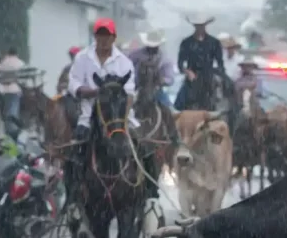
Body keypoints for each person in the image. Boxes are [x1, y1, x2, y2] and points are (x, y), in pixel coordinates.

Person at [67, 17, 161, 208]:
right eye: (100, 35)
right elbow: (73, 84)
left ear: (113, 37)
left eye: (107, 36)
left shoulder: (124, 62)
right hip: (89, 116)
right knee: (74, 153)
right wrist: (94, 92)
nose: (103, 40)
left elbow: (129, 93)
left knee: (144, 146)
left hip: (119, 117)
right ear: (95, 36)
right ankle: (72, 198)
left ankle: (151, 193)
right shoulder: (82, 58)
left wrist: (121, 119)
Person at [175, 13, 224, 110]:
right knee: (179, 103)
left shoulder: (214, 42)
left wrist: (216, 74)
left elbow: (220, 63)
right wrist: (188, 72)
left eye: (201, 26)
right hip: (192, 77)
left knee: (224, 97)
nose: (199, 28)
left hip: (209, 76)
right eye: (197, 26)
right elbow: (180, 64)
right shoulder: (186, 42)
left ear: (205, 25)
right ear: (194, 26)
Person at [128, 29, 177, 112]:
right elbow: (127, 70)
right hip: (137, 89)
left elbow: (170, 79)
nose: (152, 47)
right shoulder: (135, 56)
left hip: (156, 91)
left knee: (170, 112)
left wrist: (161, 80)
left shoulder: (165, 59)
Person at [0, 47, 27, 137]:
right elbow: (24, 79)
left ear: (8, 52)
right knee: (13, 113)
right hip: (15, 89)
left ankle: (7, 131)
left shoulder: (4, 62)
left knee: (6, 113)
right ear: (17, 54)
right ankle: (13, 133)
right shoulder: (20, 63)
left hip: (4, 90)